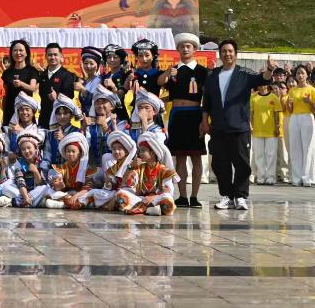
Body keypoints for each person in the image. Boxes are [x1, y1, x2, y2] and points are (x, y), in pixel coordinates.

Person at [200, 40, 274, 210]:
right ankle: (226, 196)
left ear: (235, 53)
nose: (227, 54)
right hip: (218, 127)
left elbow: (262, 79)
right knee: (220, 163)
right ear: (220, 54)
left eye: (230, 51)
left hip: (239, 127)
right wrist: (205, 121)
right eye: (224, 51)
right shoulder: (212, 75)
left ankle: (240, 196)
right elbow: (207, 101)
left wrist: (270, 69)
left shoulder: (244, 73)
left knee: (242, 163)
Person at [158, 32, 207, 208]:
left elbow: (207, 97)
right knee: (180, 157)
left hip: (195, 114)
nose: (185, 49)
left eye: (188, 46)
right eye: (182, 46)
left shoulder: (202, 71)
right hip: (177, 114)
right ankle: (182, 196)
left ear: (194, 49)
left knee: (196, 156)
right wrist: (167, 72)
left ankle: (194, 196)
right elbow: (160, 83)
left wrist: (204, 120)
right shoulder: (173, 70)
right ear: (177, 49)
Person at [115, 132, 179, 216]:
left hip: (156, 199)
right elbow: (125, 182)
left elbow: (167, 191)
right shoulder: (139, 168)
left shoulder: (164, 170)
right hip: (141, 199)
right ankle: (151, 209)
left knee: (167, 198)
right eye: (140, 151)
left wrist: (152, 197)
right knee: (121, 194)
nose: (140, 154)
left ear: (152, 153)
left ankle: (142, 208)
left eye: (143, 150)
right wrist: (130, 167)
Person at [0, 125, 51, 208]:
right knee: (6, 188)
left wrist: (36, 172)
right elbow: (20, 181)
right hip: (22, 191)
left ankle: (15, 202)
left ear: (36, 148)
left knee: (45, 188)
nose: (26, 151)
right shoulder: (18, 163)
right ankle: (31, 201)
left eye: (29, 148)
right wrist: (25, 196)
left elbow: (41, 184)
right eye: (23, 149)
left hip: (36, 190)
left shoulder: (42, 163)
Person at [284, 63, 315, 187]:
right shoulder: (292, 90)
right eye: (298, 73)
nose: (300, 75)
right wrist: (289, 103)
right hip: (294, 118)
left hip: (307, 117)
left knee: (308, 147)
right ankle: (296, 177)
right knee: (295, 148)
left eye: (302, 73)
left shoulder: (312, 90)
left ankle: (307, 177)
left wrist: (309, 102)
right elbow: (289, 110)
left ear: (307, 75)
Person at [83, 130, 137, 211]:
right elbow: (108, 188)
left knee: (121, 195)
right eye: (114, 149)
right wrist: (107, 183)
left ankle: (115, 204)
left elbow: (130, 188)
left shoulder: (132, 165)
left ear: (126, 151)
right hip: (115, 194)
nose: (116, 152)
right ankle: (113, 204)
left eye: (120, 149)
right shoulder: (112, 168)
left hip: (130, 194)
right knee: (94, 192)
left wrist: (115, 196)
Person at [45, 131, 93, 210]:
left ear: (80, 153)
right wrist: (59, 186)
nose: (70, 154)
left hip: (80, 194)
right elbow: (59, 189)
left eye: (73, 151)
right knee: (48, 190)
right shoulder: (61, 168)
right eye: (68, 151)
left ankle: (64, 204)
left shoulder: (86, 168)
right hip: (66, 194)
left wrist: (76, 196)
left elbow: (87, 188)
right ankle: (72, 203)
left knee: (92, 194)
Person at [38, 43, 81, 131]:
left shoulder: (67, 75)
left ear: (61, 56)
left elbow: (70, 95)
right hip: (44, 119)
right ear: (45, 56)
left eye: (55, 55)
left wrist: (57, 96)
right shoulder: (42, 75)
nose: (52, 57)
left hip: (61, 120)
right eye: (50, 55)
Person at [0, 39, 38, 130]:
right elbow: (4, 93)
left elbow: (33, 88)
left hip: (26, 110)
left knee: (27, 135)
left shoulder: (32, 70)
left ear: (26, 53)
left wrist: (21, 84)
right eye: (15, 50)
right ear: (11, 53)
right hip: (10, 109)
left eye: (21, 50)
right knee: (9, 134)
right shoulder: (7, 72)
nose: (18, 53)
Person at [250, 81, 282, 185]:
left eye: (263, 84)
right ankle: (261, 176)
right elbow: (251, 113)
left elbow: (276, 114)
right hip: (257, 130)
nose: (261, 86)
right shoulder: (253, 97)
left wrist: (277, 127)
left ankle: (270, 177)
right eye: (259, 84)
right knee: (258, 155)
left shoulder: (274, 97)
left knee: (271, 154)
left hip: (271, 130)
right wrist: (250, 125)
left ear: (267, 85)